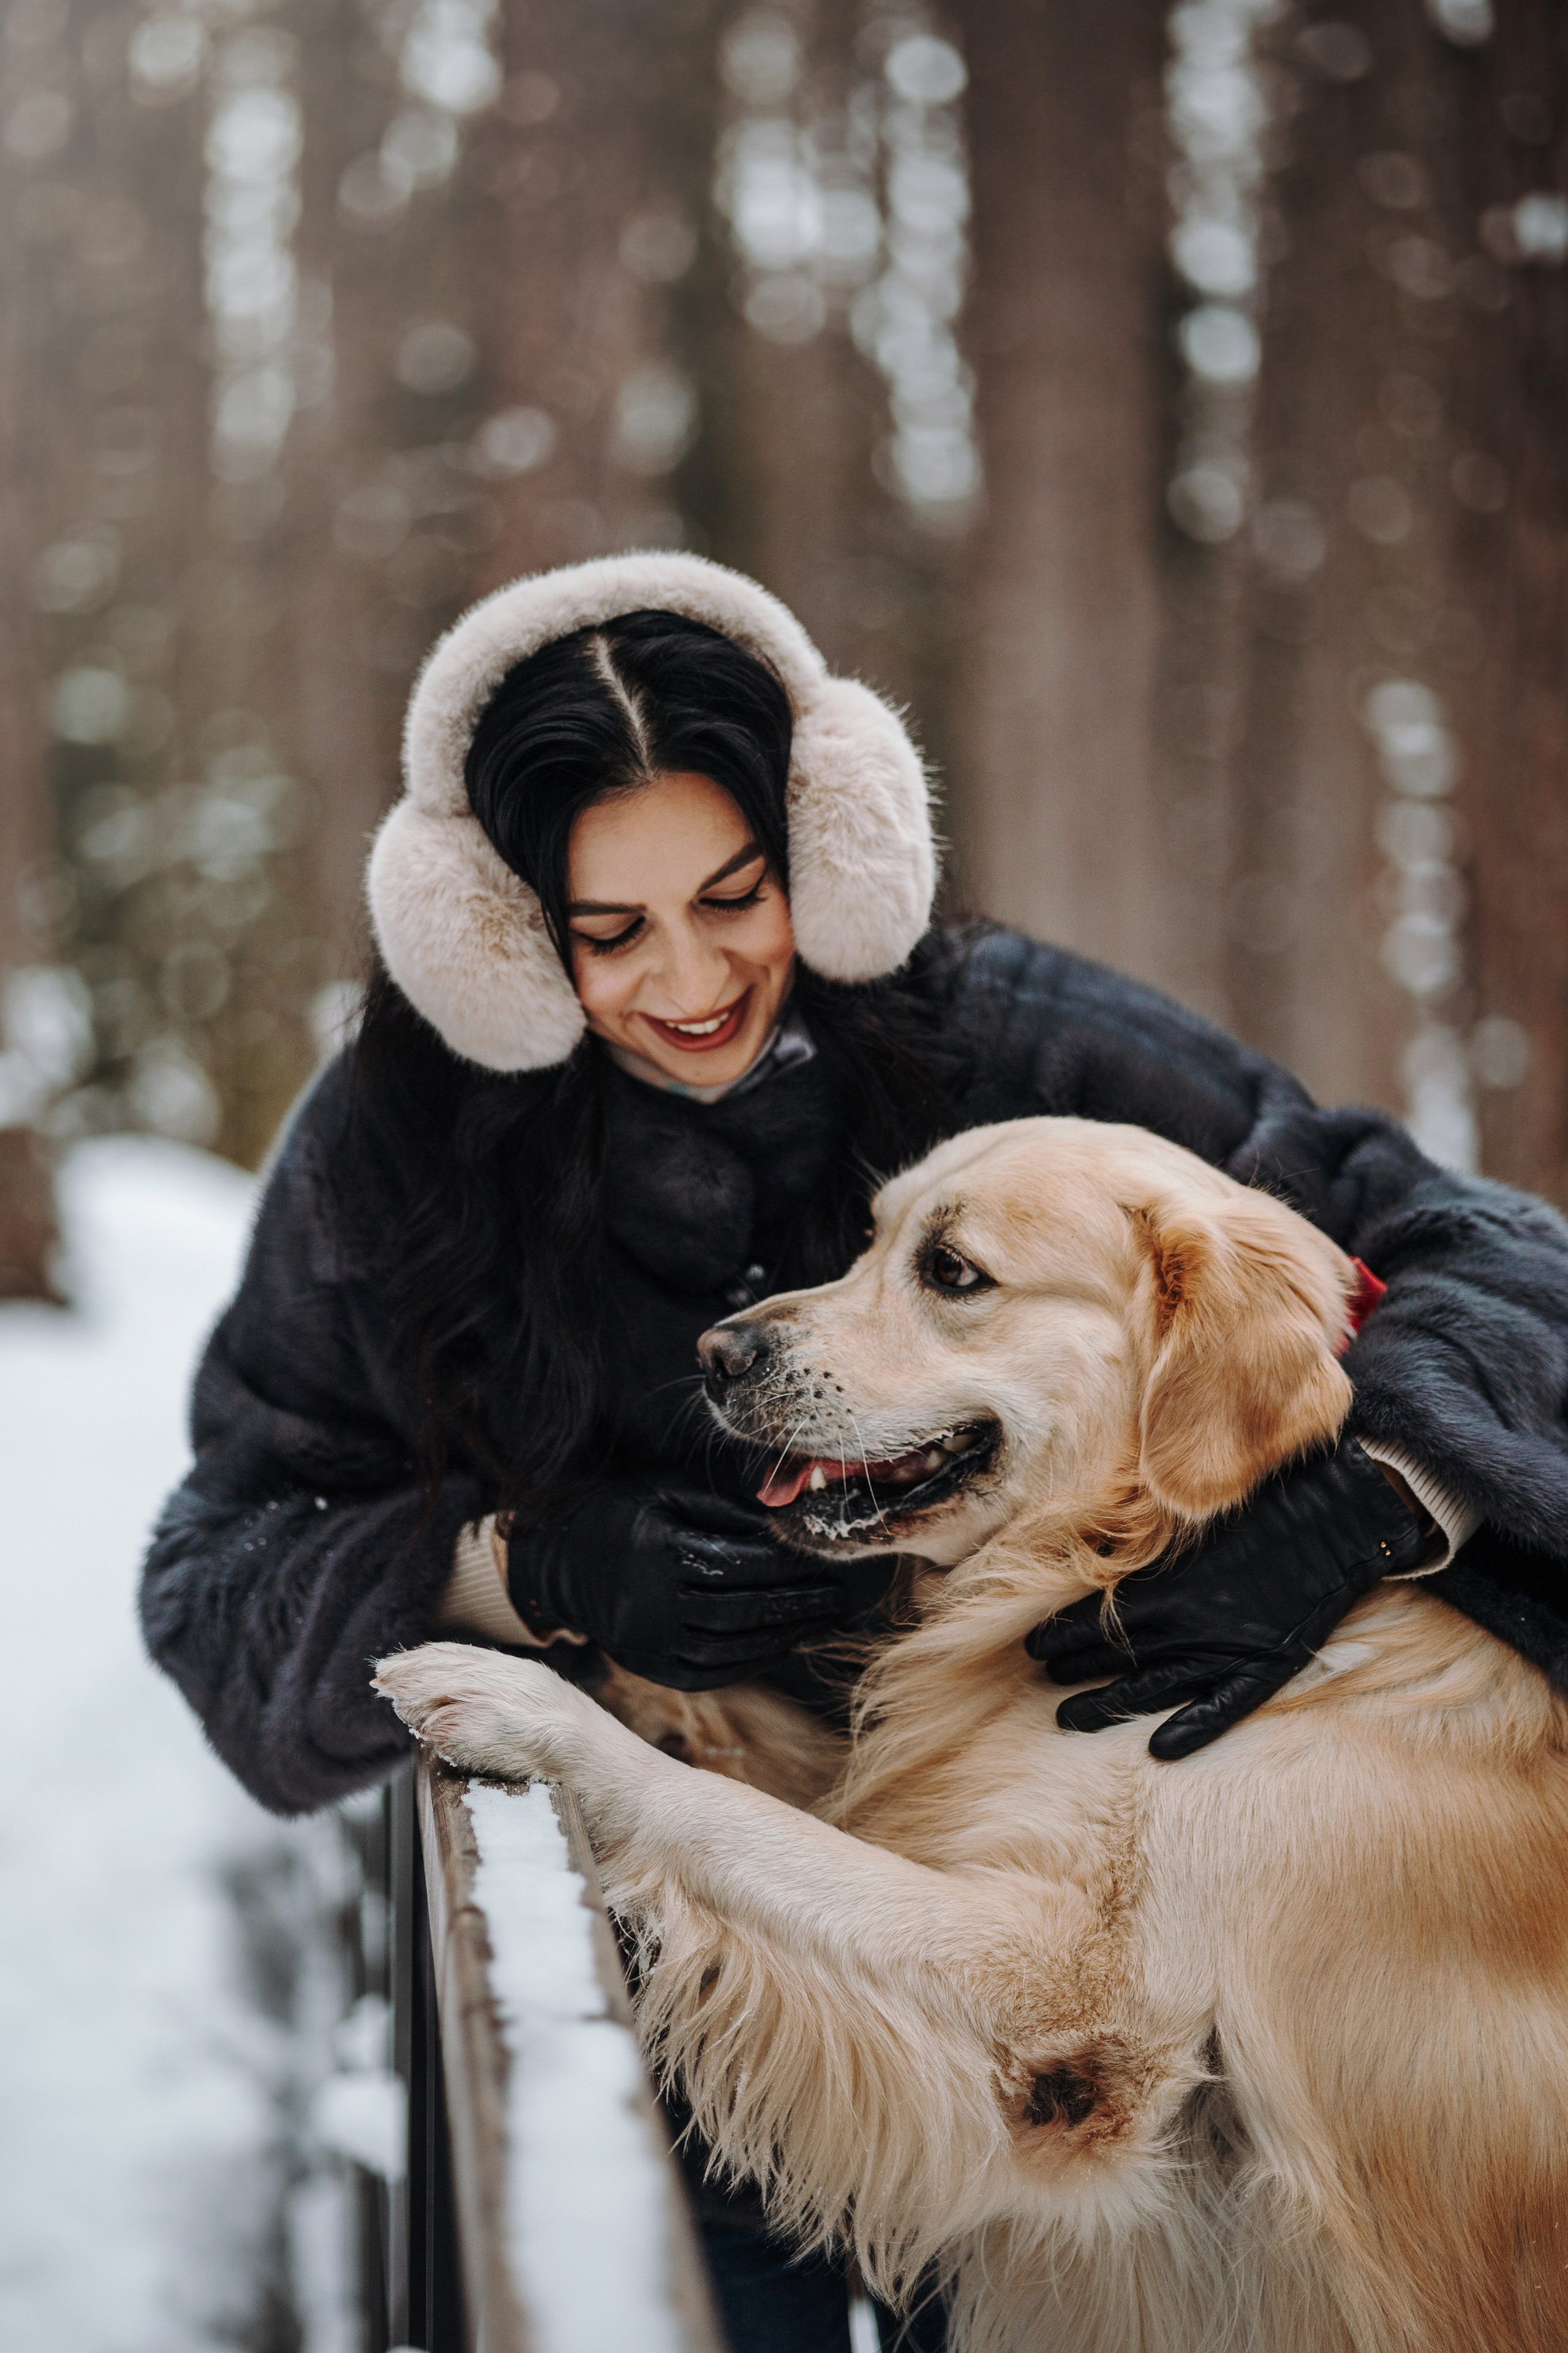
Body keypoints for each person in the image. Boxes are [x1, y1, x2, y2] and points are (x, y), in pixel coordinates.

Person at [142, 553, 1568, 2353]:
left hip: (1075, 1924)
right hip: (694, 1995)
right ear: (501, 938)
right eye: (609, 931)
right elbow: (220, 1569)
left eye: (734, 896)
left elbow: (1490, 1252)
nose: (690, 979)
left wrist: (1386, 1495)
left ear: (825, 846)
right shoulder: (393, 1155)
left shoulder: (1011, 1036)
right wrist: (524, 1562)